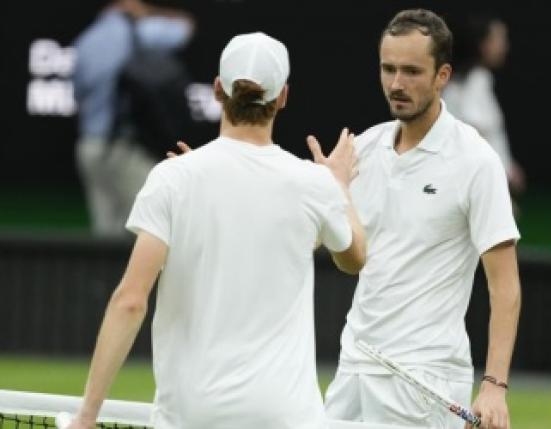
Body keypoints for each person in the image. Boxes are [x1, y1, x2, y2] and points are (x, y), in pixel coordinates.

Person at [66, 32, 366, 429]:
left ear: (218, 90)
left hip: (191, 415)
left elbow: (130, 301)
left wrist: (87, 416)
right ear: (283, 97)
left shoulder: (173, 179)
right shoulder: (314, 184)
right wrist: (339, 185)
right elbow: (354, 258)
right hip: (285, 417)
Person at [317, 9, 521, 429]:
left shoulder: (476, 160)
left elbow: (505, 286)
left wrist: (495, 386)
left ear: (442, 75)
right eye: (388, 69)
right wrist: (335, 198)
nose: (396, 83)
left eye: (411, 71)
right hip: (354, 367)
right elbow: (349, 261)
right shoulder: (364, 149)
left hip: (426, 381)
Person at [73, 0, 195, 237]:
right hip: (125, 147)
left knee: (105, 226)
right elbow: (185, 27)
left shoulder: (85, 41)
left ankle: (105, 274)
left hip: (90, 144)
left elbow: (77, 95)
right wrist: (148, 10)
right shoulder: (139, 30)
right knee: (149, 224)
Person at [443, 15, 526, 196]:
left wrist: (509, 165)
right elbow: (474, 134)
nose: (505, 46)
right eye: (500, 39)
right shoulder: (477, 81)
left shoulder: (464, 82)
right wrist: (494, 185)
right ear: (483, 45)